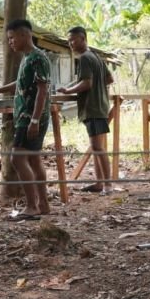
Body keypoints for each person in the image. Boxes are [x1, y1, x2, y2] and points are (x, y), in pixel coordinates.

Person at [0, 19, 51, 219]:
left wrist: (34, 121)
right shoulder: (27, 58)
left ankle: (31, 206)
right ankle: (43, 204)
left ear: (24, 35)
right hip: (25, 116)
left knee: (17, 158)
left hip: (30, 117)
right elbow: (21, 82)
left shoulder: (38, 58)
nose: (10, 42)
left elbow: (43, 91)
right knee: (34, 160)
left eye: (12, 38)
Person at [56, 26, 114, 194]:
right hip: (100, 106)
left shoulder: (85, 58)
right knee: (97, 147)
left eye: (73, 40)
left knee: (98, 148)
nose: (70, 44)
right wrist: (99, 89)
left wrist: (68, 90)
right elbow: (109, 79)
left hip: (93, 108)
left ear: (82, 38)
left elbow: (87, 83)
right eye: (69, 41)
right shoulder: (96, 57)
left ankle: (108, 185)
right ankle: (99, 183)